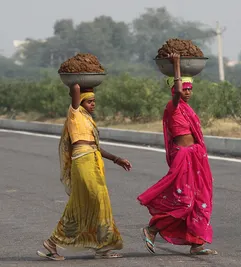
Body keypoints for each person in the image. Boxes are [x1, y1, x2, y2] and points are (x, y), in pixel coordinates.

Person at [36, 84, 132, 261]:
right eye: (89, 101)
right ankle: (52, 243)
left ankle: (102, 248)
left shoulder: (88, 119)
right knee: (90, 201)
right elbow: (75, 91)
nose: (93, 104)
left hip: (93, 160)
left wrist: (116, 159)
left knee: (98, 203)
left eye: (94, 101)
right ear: (80, 102)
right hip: (82, 162)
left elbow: (94, 146)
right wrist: (77, 82)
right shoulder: (75, 113)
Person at [137, 53, 217, 255]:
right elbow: (178, 91)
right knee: (184, 201)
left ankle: (197, 243)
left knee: (201, 199)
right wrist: (177, 65)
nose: (187, 93)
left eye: (190, 89)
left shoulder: (188, 110)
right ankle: (152, 229)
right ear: (175, 89)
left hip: (196, 156)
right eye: (184, 89)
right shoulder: (172, 107)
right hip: (183, 156)